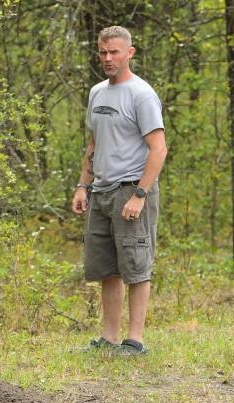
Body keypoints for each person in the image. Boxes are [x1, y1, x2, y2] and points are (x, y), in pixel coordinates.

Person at [71, 25, 167, 356]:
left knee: (136, 266)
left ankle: (135, 341)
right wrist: (83, 185)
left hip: (131, 191)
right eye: (103, 52)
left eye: (114, 52)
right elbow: (94, 144)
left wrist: (140, 195)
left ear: (130, 53)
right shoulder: (97, 92)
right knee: (106, 267)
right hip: (101, 191)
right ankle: (109, 338)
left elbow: (158, 149)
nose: (108, 58)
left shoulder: (141, 94)